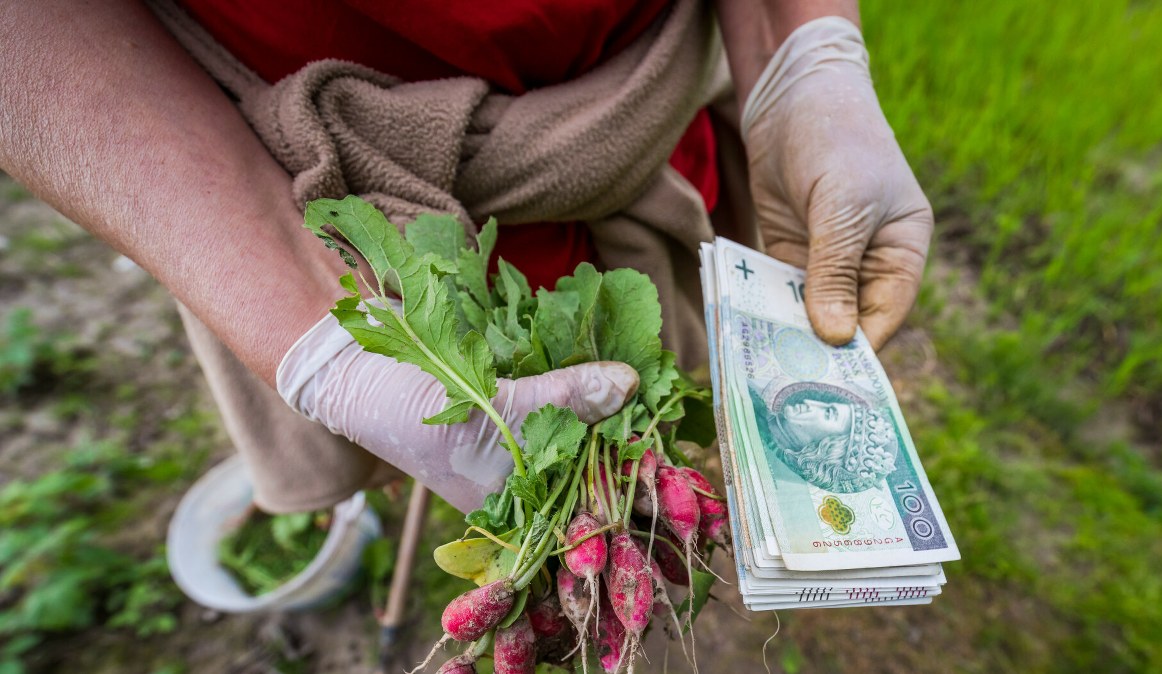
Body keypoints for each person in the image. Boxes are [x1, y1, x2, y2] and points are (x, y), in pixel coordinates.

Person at [0, 0, 933, 513]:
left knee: (635, 417)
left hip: (638, 114)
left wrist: (805, 60)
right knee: (445, 435)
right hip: (286, 177)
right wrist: (321, 350)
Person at [753, 381, 898, 494]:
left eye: (828, 413)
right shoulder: (756, 403)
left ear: (831, 446)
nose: (810, 403)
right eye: (826, 405)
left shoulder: (770, 473)